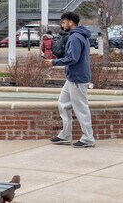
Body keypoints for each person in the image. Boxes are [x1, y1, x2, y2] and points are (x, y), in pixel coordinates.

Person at [45, 11, 95, 148]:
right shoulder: (79, 36)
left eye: (63, 22)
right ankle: (65, 135)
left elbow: (73, 58)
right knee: (63, 104)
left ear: (70, 22)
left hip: (78, 78)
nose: (62, 25)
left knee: (81, 108)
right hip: (72, 78)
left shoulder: (75, 38)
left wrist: (54, 63)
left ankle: (88, 139)